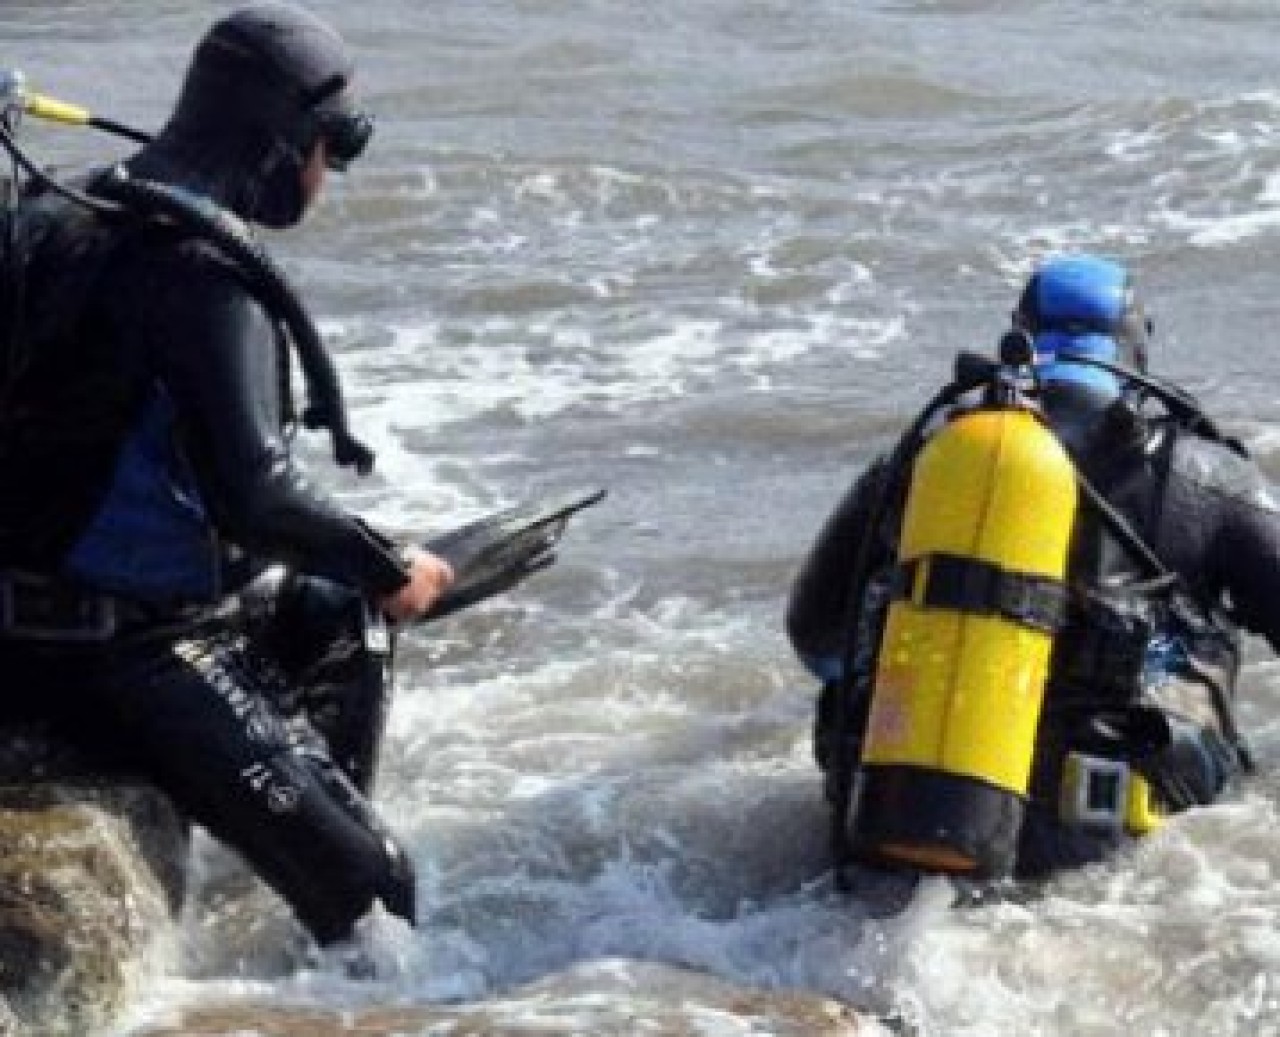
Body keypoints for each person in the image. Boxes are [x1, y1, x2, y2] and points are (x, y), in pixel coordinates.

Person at [0, 3, 454, 946]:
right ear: (282, 140)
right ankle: (328, 928)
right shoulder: (205, 275)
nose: (332, 172)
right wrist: (391, 565)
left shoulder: (53, 212)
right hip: (117, 656)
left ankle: (265, 831)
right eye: (336, 145)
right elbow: (258, 496)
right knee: (379, 888)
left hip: (17, 626)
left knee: (328, 612)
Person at [787, 253, 1278, 881]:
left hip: (898, 809)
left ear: (1018, 336)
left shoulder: (930, 459)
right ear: (1134, 347)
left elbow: (816, 639)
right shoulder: (1205, 476)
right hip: (1098, 833)